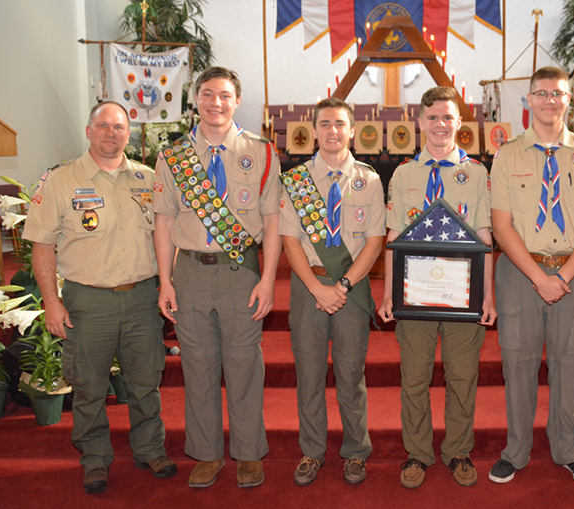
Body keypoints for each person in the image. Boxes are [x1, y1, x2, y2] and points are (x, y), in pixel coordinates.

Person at [23, 101, 176, 495]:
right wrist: (50, 301)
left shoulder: (148, 178)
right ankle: (94, 459)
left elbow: (168, 234)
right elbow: (42, 245)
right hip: (88, 303)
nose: (112, 133)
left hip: (142, 297)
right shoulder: (60, 180)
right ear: (89, 131)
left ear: (130, 133)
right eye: (103, 126)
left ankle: (150, 448)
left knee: (146, 382)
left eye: (119, 127)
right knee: (89, 387)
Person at [153, 66, 282, 489]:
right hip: (188, 271)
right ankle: (206, 453)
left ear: (236, 101)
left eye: (224, 95)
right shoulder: (174, 156)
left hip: (239, 271)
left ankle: (248, 453)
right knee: (198, 365)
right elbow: (164, 222)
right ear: (197, 100)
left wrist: (267, 280)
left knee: (245, 366)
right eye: (207, 94)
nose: (215, 103)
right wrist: (166, 281)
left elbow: (271, 220)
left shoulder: (261, 152)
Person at [489, 66, 574, 487]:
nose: (548, 101)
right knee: (517, 365)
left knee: (572, 365)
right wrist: (540, 277)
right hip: (522, 272)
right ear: (528, 101)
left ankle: (572, 451)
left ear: (568, 100)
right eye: (540, 94)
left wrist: (564, 276)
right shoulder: (508, 154)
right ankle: (516, 451)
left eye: (557, 93)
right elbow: (501, 226)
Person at [379, 86, 495, 489]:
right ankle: (417, 453)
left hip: (463, 296)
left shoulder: (477, 173)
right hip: (414, 296)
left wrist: (488, 295)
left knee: (462, 377)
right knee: (414, 377)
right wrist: (389, 293)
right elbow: (393, 235)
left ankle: (458, 451)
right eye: (433, 117)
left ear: (458, 123)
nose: (440, 125)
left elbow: (484, 237)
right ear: (420, 122)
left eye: (448, 117)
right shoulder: (404, 174)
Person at [278, 98, 385, 486]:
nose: (333, 131)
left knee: (351, 375)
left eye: (340, 124)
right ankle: (312, 451)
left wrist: (340, 286)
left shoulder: (369, 180)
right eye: (325, 124)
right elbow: (290, 241)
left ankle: (356, 452)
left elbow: (375, 242)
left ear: (352, 130)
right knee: (308, 375)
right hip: (309, 288)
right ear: (314, 131)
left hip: (351, 291)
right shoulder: (296, 181)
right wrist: (317, 288)